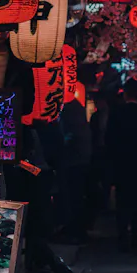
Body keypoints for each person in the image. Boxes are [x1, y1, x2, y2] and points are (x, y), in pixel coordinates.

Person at [0, 27, 73, 273]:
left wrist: (8, 101)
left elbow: (27, 103)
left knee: (12, 195)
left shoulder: (19, 61)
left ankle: (8, 263)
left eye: (6, 27)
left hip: (6, 133)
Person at [105, 78, 137, 250]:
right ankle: (136, 236)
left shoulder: (117, 113)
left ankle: (122, 234)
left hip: (121, 163)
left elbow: (109, 139)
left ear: (125, 94)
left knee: (122, 200)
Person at [60, 96, 93, 243]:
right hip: (79, 161)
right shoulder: (76, 108)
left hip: (74, 161)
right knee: (75, 197)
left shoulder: (70, 109)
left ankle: (74, 229)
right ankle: (75, 229)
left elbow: (68, 137)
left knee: (73, 197)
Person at [86, 91, 111, 229]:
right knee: (98, 178)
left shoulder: (112, 115)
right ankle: (101, 203)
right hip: (98, 151)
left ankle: (104, 202)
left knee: (105, 178)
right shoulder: (95, 117)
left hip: (106, 151)